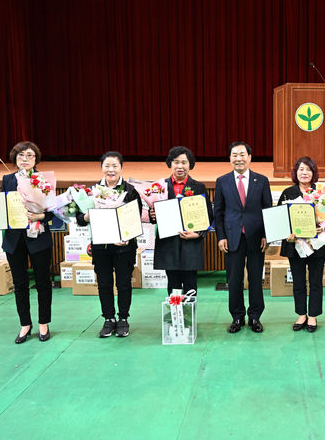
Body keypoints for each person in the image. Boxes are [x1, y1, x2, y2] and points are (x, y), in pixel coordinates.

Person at [0, 141, 54, 344]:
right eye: (21, 155)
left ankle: (44, 323)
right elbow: (2, 208)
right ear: (14, 159)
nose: (25, 159)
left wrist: (40, 217)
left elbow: (55, 213)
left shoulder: (44, 180)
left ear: (36, 159)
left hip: (39, 238)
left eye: (30, 155)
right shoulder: (7, 179)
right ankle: (25, 324)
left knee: (43, 283)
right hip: (15, 239)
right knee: (20, 284)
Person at [76, 151, 142, 338]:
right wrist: (87, 216)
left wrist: (128, 236)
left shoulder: (130, 191)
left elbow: (135, 218)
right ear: (101, 168)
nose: (111, 169)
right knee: (104, 283)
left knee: (123, 283)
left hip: (124, 247)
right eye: (107, 166)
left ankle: (123, 318)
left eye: (115, 166)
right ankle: (108, 319)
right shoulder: (91, 192)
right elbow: (79, 219)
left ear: (121, 168)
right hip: (100, 247)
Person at [213, 141, 272, 333]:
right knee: (234, 279)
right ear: (229, 158)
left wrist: (266, 234)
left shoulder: (261, 180)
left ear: (250, 157)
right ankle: (237, 317)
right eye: (234, 155)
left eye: (242, 154)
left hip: (256, 237)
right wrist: (221, 236)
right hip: (232, 238)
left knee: (256, 278)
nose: (238, 158)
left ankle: (255, 317)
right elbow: (218, 212)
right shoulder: (222, 181)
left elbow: (267, 210)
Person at [277, 157, 325, 332]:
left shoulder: (322, 192)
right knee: (298, 281)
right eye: (301, 169)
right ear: (295, 172)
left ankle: (313, 316)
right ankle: (301, 314)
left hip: (316, 244)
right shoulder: (288, 193)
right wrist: (288, 233)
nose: (304, 172)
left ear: (314, 172)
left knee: (316, 281)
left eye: (308, 169)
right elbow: (280, 218)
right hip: (296, 244)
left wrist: (323, 227)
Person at [149, 146, 213, 295]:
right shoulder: (159, 187)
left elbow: (209, 215)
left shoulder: (198, 187)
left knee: (191, 284)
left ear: (190, 165)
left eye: (184, 162)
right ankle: (175, 316)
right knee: (173, 284)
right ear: (170, 164)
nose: (180, 166)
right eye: (176, 162)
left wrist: (198, 233)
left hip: (190, 243)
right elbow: (153, 214)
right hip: (168, 243)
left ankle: (189, 318)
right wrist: (152, 215)